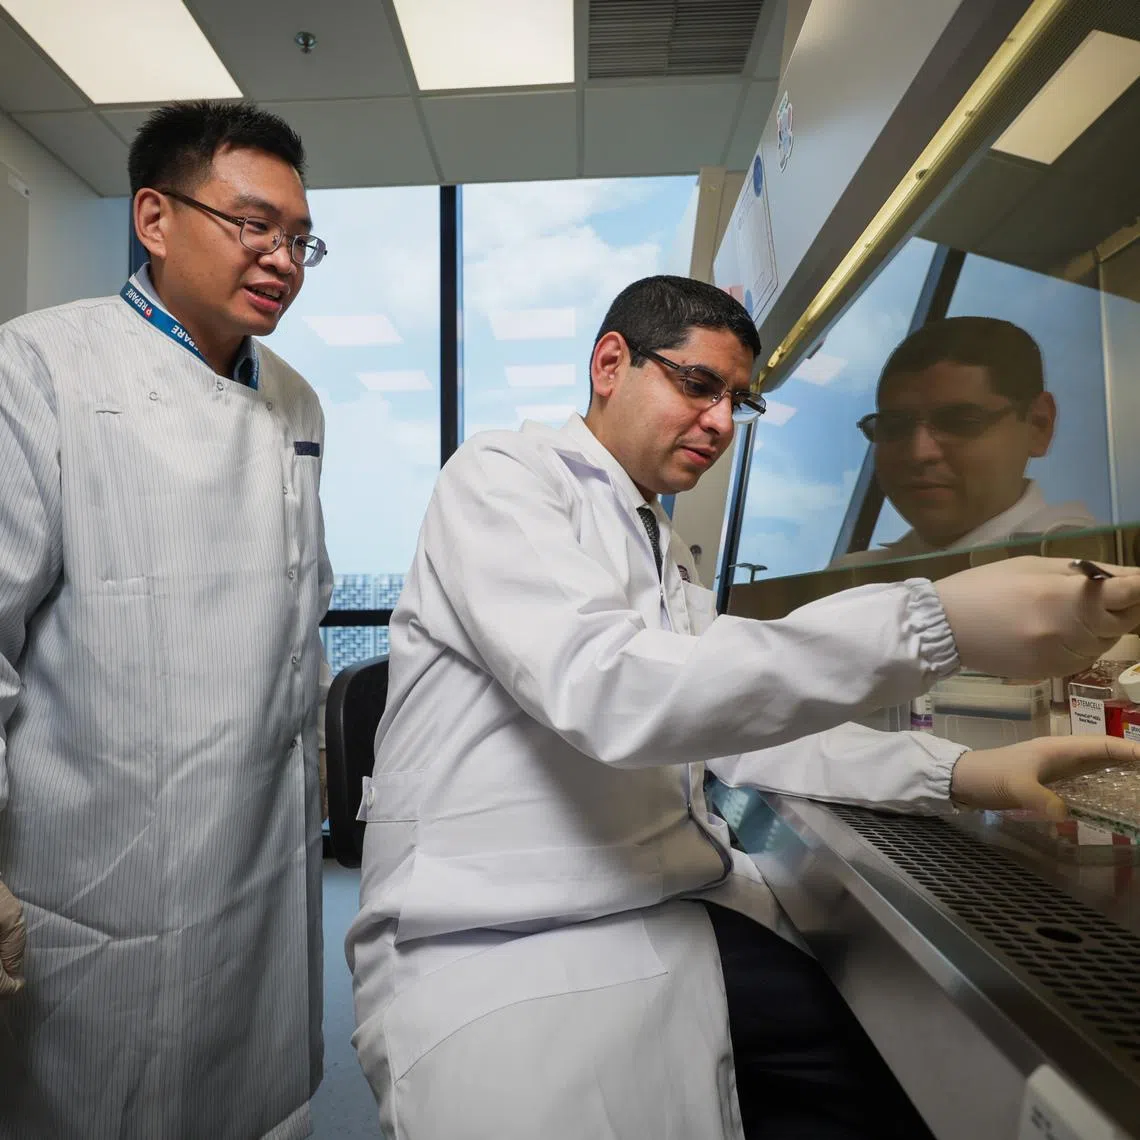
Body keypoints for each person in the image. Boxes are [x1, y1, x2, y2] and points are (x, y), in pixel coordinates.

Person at [346, 276, 1140, 1139]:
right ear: (610, 364)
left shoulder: (659, 542)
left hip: (646, 912)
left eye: (738, 400)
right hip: (502, 942)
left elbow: (742, 730)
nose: (722, 422)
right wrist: (931, 622)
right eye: (698, 385)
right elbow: (610, 690)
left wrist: (959, 772)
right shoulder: (504, 479)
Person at [0, 101, 332, 1139]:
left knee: (252, 1100)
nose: (281, 259)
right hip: (93, 868)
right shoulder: (38, 368)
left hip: (260, 850)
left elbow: (301, 618)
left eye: (300, 239)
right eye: (254, 225)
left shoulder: (295, 400)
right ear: (154, 217)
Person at [836, 316, 1095, 566]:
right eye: (893, 426)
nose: (918, 453)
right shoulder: (850, 576)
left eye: (961, 422)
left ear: (1038, 424)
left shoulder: (1095, 571)